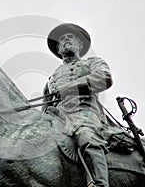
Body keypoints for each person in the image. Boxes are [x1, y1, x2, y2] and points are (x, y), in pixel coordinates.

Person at [43, 23, 112, 187]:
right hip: (59, 117)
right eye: (62, 40)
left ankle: (100, 183)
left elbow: (104, 78)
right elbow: (45, 105)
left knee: (87, 136)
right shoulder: (52, 79)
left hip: (85, 113)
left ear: (79, 45)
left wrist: (68, 88)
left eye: (70, 37)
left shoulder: (92, 63)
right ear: (59, 49)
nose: (65, 40)